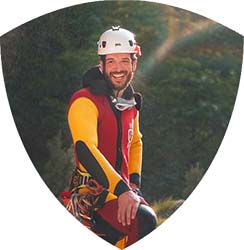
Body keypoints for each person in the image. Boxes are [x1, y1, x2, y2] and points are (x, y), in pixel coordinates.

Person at [67, 26, 157, 248]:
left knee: (144, 222)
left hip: (123, 194)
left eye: (125, 61)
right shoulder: (84, 101)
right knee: (144, 221)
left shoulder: (131, 105)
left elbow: (136, 142)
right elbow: (86, 149)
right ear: (102, 65)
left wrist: (133, 185)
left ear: (134, 64)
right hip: (92, 199)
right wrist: (123, 190)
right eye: (112, 62)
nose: (118, 68)